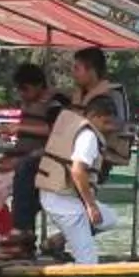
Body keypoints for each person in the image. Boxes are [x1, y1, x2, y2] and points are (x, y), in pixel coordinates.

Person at [33, 87, 112, 265]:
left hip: (62, 195)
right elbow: (77, 170)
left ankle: (58, 240)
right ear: (95, 117)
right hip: (64, 202)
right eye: (106, 123)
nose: (109, 128)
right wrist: (90, 206)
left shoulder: (76, 128)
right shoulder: (89, 136)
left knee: (109, 219)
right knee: (88, 260)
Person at [0, 63, 63, 257]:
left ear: (39, 85)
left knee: (22, 176)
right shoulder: (30, 103)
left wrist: (19, 129)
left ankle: (19, 234)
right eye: (19, 90)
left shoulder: (55, 104)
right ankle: (5, 238)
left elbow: (55, 131)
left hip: (44, 159)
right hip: (23, 157)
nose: (22, 94)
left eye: (25, 89)